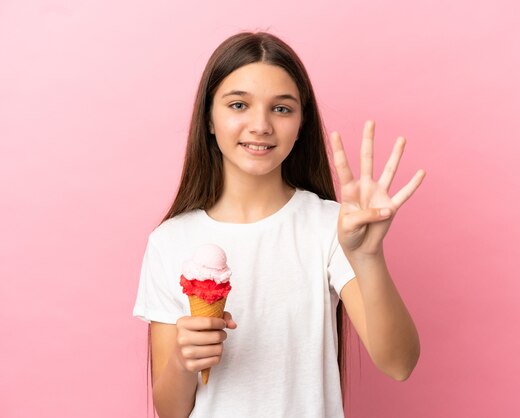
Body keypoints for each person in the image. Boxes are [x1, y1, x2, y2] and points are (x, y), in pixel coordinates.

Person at [133, 31, 425, 418]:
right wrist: (183, 362)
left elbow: (399, 363)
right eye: (238, 104)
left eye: (282, 109)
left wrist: (368, 256)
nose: (261, 125)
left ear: (302, 123)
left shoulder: (329, 227)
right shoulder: (170, 241)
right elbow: (171, 412)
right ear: (209, 118)